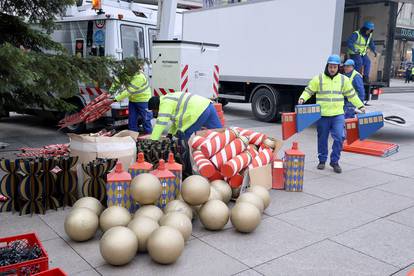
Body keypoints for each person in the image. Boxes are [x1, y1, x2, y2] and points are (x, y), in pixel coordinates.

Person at [298, 55, 366, 173]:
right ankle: (322, 160)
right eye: (330, 66)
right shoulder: (318, 78)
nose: (332, 69)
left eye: (335, 67)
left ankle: (334, 161)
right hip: (323, 115)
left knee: (340, 137)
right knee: (322, 138)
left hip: (337, 115)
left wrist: (360, 105)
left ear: (338, 67)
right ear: (327, 66)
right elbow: (309, 90)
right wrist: (302, 98)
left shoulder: (343, 80)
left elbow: (351, 94)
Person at [148, 92, 222, 141]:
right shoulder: (168, 98)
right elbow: (175, 121)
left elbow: (160, 124)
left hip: (197, 113)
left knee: (185, 139)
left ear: (156, 107)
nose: (154, 113)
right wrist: (170, 133)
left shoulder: (164, 104)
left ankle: (187, 161)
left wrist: (153, 140)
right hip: (208, 105)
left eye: (154, 111)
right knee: (219, 135)